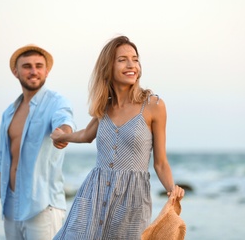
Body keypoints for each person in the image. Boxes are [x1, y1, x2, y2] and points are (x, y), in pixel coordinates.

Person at [51, 36, 185, 239]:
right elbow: (87, 135)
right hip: (93, 194)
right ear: (108, 66)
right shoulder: (104, 107)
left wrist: (171, 190)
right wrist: (64, 136)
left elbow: (160, 162)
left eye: (135, 59)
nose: (131, 65)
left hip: (132, 200)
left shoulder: (153, 106)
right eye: (122, 59)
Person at [0, 44, 76, 240]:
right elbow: (2, 164)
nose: (34, 71)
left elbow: (65, 121)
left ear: (47, 71)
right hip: (11, 208)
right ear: (16, 72)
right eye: (27, 66)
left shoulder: (57, 102)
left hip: (42, 206)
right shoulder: (8, 113)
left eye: (39, 66)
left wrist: (64, 134)